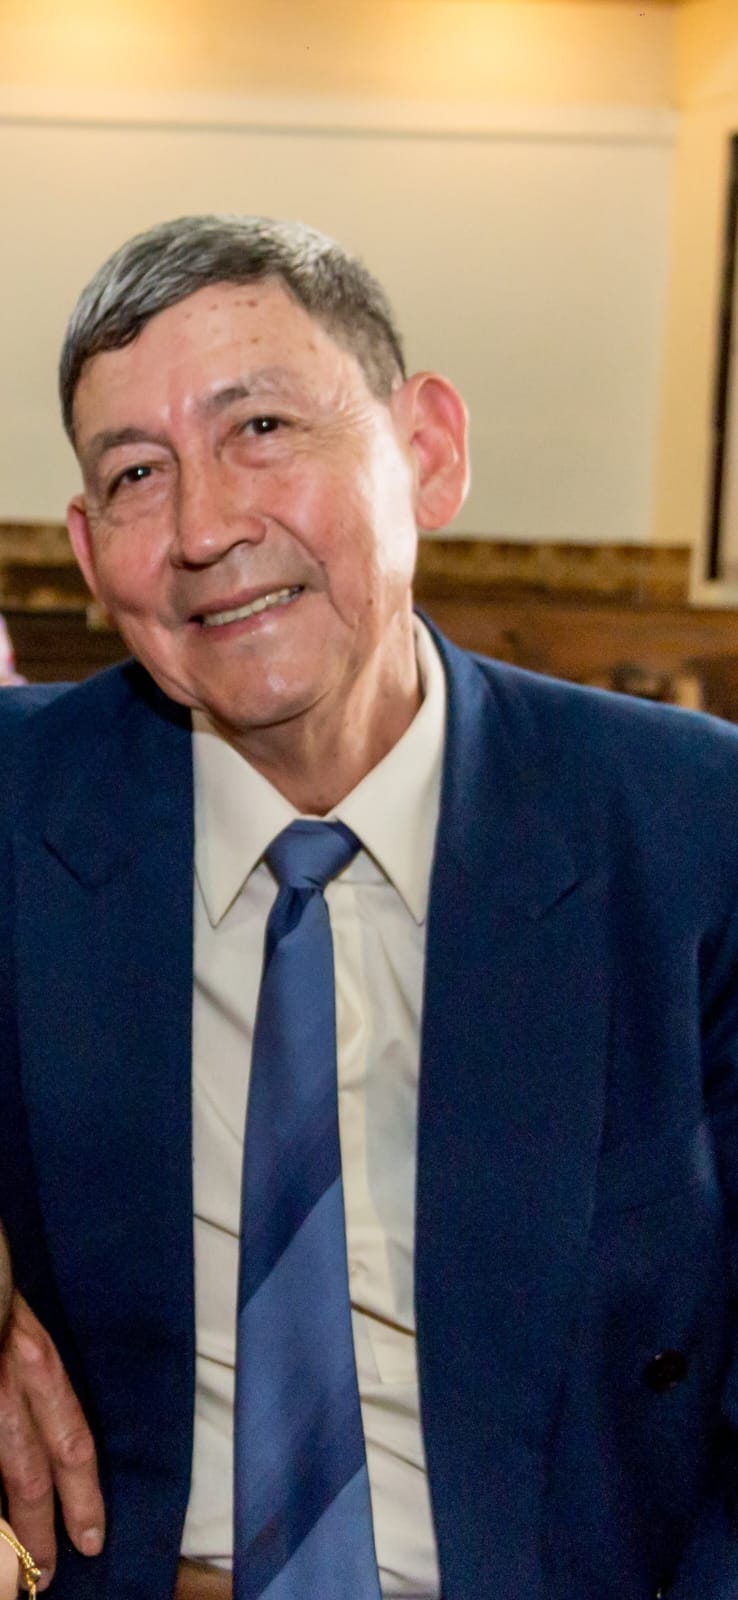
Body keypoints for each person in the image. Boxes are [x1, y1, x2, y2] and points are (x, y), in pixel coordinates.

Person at [1, 216, 738, 1600]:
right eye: (138, 474)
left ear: (426, 452)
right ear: (91, 558)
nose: (207, 529)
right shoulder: (19, 808)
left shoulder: (690, 831)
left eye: (262, 428)